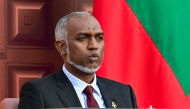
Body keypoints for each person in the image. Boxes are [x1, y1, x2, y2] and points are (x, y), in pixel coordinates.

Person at [18, 12, 138, 109]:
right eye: (83, 38)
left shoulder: (124, 92)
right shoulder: (39, 92)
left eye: (99, 38)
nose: (94, 46)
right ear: (62, 47)